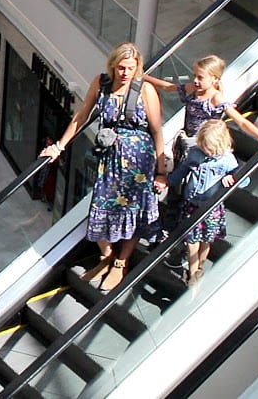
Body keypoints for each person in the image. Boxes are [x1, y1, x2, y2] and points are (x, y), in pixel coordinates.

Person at [42, 42, 167, 291]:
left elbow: (156, 130)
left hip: (139, 161)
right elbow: (82, 115)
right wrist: (59, 146)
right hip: (110, 160)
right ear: (113, 66)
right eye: (121, 67)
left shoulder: (145, 90)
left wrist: (161, 171)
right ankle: (107, 255)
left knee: (133, 210)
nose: (125, 73)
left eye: (130, 68)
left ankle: (121, 262)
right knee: (102, 204)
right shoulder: (101, 84)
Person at [144, 55, 258, 267]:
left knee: (191, 192)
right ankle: (172, 233)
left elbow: (241, 121)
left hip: (204, 154)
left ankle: (188, 240)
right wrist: (145, 77)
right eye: (195, 76)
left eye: (200, 77)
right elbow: (169, 87)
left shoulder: (216, 99)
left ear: (215, 79)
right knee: (177, 190)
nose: (196, 81)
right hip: (186, 149)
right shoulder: (194, 89)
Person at [168, 120, 249, 287]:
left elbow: (244, 180)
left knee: (206, 239)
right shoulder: (195, 153)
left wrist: (232, 178)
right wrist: (168, 181)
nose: (205, 151)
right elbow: (183, 170)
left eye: (209, 149)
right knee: (191, 240)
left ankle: (199, 267)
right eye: (203, 146)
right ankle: (192, 274)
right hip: (192, 203)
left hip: (211, 207)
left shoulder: (227, 160)